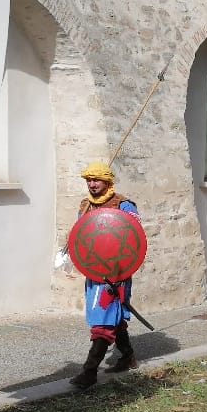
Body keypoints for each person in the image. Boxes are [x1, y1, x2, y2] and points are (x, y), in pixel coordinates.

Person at [70, 161, 141, 389]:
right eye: (88, 180)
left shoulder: (124, 206)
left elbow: (134, 237)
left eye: (96, 180)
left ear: (107, 181)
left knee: (102, 320)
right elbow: (80, 236)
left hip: (116, 273)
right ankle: (128, 356)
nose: (91, 184)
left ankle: (89, 372)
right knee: (114, 315)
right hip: (94, 271)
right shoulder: (85, 206)